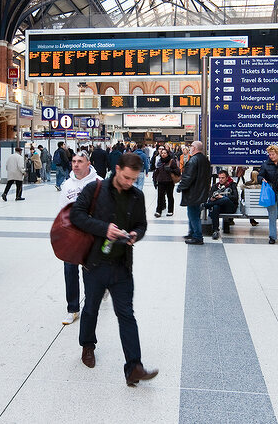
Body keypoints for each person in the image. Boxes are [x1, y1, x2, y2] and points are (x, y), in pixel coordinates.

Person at [70, 152, 158, 387]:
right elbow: (76, 216)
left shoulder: (136, 196)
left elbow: (142, 224)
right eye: (127, 177)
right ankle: (87, 345)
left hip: (121, 265)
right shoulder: (94, 190)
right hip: (95, 263)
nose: (130, 183)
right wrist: (103, 228)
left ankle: (134, 367)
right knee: (91, 308)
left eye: (134, 179)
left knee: (126, 314)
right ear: (117, 169)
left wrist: (135, 235)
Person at [59, 150, 98, 325]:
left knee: (90, 272)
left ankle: (92, 303)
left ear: (88, 163)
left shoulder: (99, 183)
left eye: (80, 161)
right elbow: (62, 209)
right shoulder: (67, 184)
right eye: (74, 161)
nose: (75, 164)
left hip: (91, 235)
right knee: (70, 270)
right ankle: (73, 308)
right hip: (72, 236)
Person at [177, 140, 211, 245]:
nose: (190, 148)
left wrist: (180, 187)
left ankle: (197, 236)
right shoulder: (205, 160)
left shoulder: (193, 160)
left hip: (193, 192)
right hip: (201, 191)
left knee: (193, 214)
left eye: (191, 146)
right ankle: (191, 232)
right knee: (193, 212)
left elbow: (188, 177)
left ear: (195, 148)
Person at [257, 144, 278, 243]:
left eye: (273, 154)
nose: (271, 156)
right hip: (270, 192)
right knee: (272, 214)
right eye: (270, 154)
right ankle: (272, 236)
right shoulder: (265, 165)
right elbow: (259, 176)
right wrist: (262, 179)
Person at [204, 169, 239, 240]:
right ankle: (215, 230)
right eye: (219, 178)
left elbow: (235, 197)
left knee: (225, 199)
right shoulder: (215, 186)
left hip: (230, 207)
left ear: (227, 178)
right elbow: (210, 196)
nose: (221, 179)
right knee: (216, 207)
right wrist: (212, 198)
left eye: (222, 178)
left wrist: (222, 197)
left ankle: (207, 205)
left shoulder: (232, 185)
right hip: (220, 207)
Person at [152, 145, 180, 217]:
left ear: (167, 154)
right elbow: (156, 171)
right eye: (162, 153)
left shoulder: (171, 161)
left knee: (169, 196)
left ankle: (170, 210)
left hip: (169, 181)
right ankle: (158, 211)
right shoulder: (159, 162)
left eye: (165, 153)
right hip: (161, 181)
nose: (163, 154)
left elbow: (178, 171)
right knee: (160, 196)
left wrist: (171, 170)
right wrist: (155, 180)